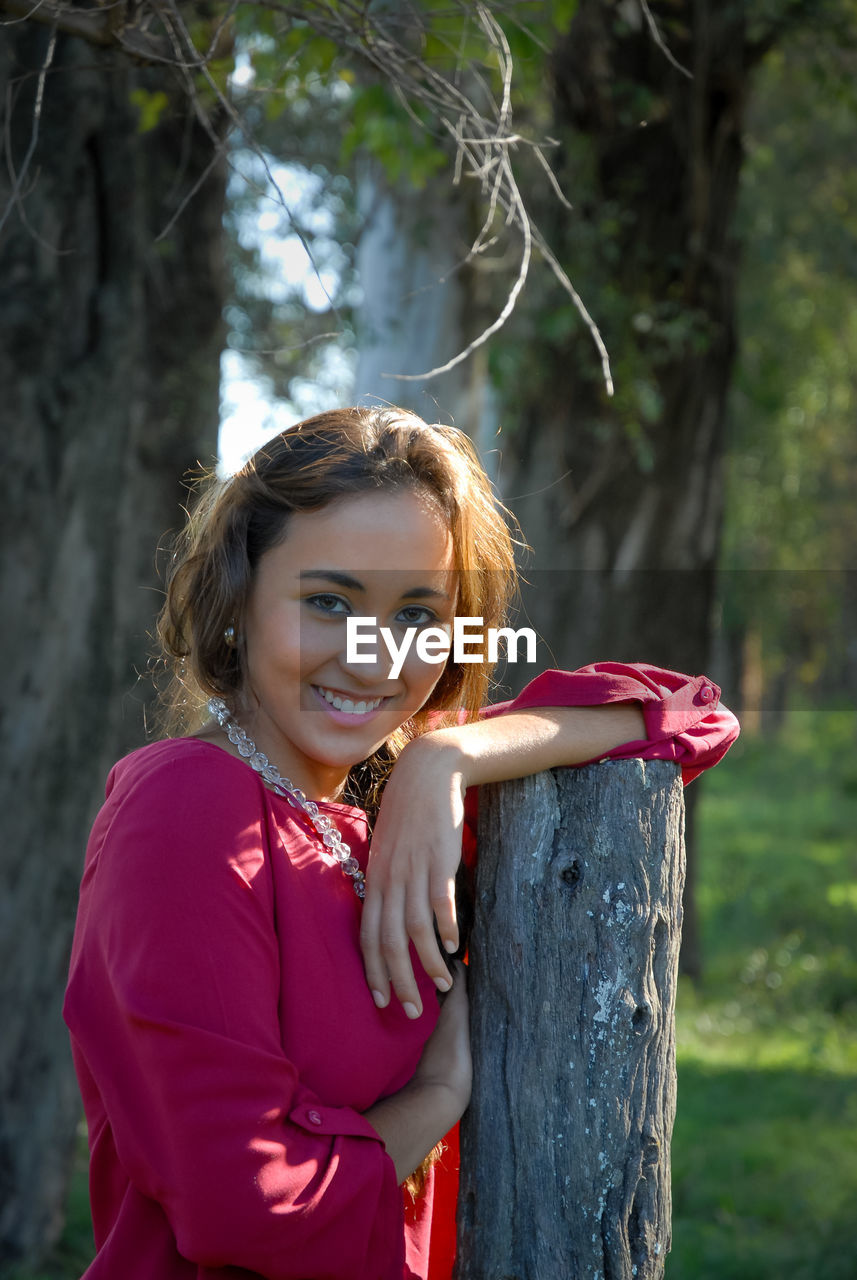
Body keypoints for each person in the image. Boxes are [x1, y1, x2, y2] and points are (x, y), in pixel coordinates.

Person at [63, 406, 739, 1280]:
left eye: (418, 614)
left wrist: (446, 753)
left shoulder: (391, 807)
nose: (376, 658)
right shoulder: (189, 807)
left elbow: (694, 716)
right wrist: (435, 1098)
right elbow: (248, 1207)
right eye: (328, 601)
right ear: (238, 597)